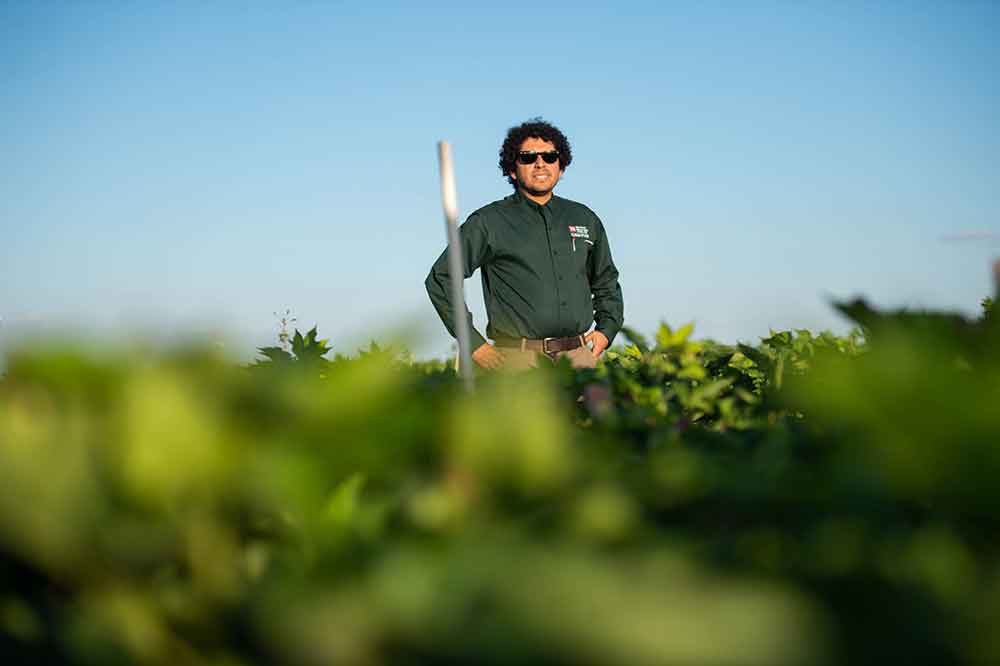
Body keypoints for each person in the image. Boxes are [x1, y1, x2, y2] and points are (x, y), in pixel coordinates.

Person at [426, 118, 624, 371]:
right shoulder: (488, 222)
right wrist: (473, 343)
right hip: (518, 363)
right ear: (512, 168)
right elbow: (441, 278)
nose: (540, 163)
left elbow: (606, 279)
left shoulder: (584, 218)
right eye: (528, 157)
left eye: (550, 156)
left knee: (598, 412)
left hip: (579, 360)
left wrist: (606, 330)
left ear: (561, 166)